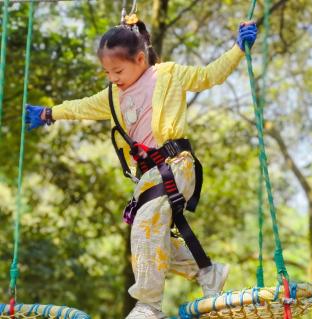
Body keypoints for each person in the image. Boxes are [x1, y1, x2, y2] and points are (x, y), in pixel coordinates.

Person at [26, 16, 257, 319]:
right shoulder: (113, 96)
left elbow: (209, 75)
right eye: (107, 72)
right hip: (149, 175)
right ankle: (207, 271)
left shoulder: (167, 76)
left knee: (146, 227)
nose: (113, 78)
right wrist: (48, 113)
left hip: (176, 164)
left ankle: (149, 304)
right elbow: (79, 106)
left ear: (140, 58)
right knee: (147, 234)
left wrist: (238, 49)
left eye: (118, 70)